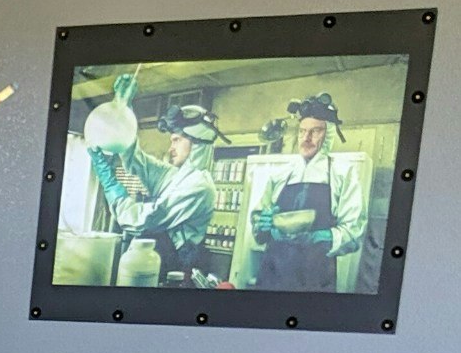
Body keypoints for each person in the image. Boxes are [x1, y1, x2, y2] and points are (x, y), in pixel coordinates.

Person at [85, 75, 225, 285]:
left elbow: (146, 219)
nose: (171, 148)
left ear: (196, 143)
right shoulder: (178, 176)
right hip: (162, 259)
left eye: (177, 140)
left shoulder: (199, 186)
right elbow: (138, 161)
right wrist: (124, 109)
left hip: (175, 267)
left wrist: (111, 185)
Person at [246, 92, 368, 292]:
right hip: (272, 275)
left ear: (328, 133)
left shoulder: (342, 173)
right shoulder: (281, 173)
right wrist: (263, 224)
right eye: (302, 131)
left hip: (315, 280)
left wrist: (317, 237)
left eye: (315, 131)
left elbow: (353, 232)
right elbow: (258, 227)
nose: (306, 138)